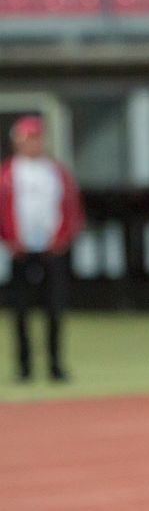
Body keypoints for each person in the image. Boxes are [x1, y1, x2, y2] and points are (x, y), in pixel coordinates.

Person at [0, 115, 82, 382]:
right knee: (20, 311)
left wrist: (62, 238)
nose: (33, 144)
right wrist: (10, 240)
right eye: (28, 139)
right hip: (20, 252)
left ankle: (55, 366)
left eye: (37, 138)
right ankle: (24, 368)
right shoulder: (8, 174)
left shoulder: (56, 172)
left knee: (55, 309)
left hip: (52, 251)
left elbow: (71, 209)